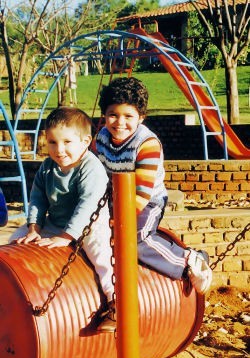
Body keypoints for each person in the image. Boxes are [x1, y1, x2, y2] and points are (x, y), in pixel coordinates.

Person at [95, 77, 212, 331]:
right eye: (112, 115)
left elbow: (142, 192)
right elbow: (95, 173)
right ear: (104, 115)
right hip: (113, 199)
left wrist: (120, 222)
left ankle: (190, 259)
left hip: (147, 201)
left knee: (134, 239)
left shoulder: (146, 144)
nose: (120, 122)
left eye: (128, 116)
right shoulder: (101, 138)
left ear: (141, 117)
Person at [9, 106, 114, 329]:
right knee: (15, 239)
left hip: (90, 227)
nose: (60, 150)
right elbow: (37, 198)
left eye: (67, 142)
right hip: (56, 224)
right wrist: (34, 229)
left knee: (101, 256)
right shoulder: (48, 168)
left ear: (86, 141)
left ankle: (115, 301)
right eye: (53, 142)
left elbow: (88, 205)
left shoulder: (91, 168)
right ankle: (15, 289)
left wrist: (67, 236)